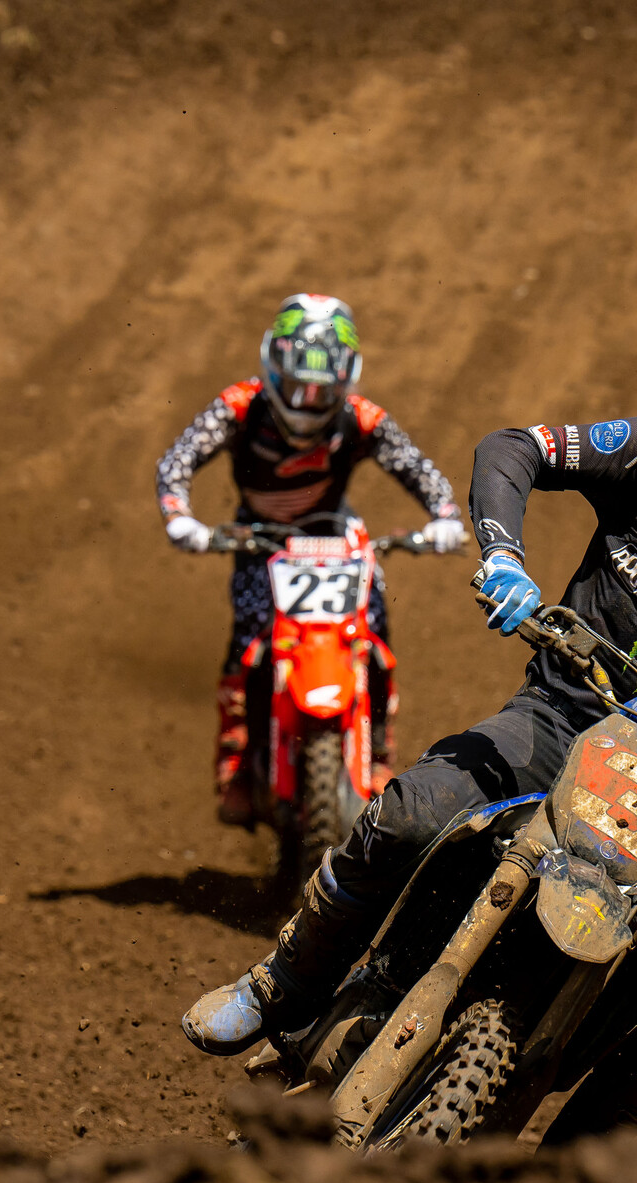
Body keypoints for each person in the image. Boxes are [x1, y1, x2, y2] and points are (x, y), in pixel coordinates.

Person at [183, 335, 637, 1140]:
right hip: (562, 716)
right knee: (412, 811)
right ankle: (279, 985)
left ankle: (590, 1156)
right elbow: (515, 448)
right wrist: (504, 558)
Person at [157, 293, 469, 824]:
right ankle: (235, 760)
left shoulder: (360, 417)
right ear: (272, 365)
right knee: (248, 640)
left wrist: (444, 516)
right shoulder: (240, 405)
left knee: (372, 631)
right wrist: (179, 515)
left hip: (336, 535)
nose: (305, 401)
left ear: (344, 380)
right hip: (261, 539)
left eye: (320, 391)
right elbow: (179, 459)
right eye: (295, 384)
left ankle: (376, 756)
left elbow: (418, 468)